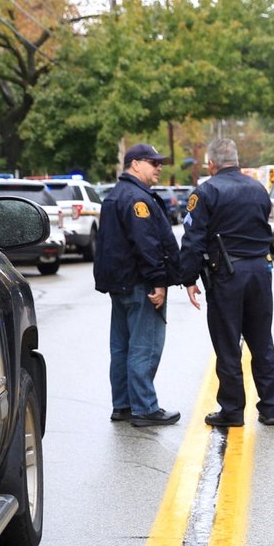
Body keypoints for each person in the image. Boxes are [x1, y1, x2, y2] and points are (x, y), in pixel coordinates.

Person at [179, 138, 274, 428]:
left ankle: (233, 410)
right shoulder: (258, 189)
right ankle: (271, 408)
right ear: (236, 161)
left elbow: (193, 239)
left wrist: (188, 277)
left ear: (211, 164)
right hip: (261, 272)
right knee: (262, 341)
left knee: (228, 345)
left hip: (227, 275)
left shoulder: (207, 191)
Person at [94, 143, 181, 427]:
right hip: (140, 284)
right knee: (145, 346)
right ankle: (145, 408)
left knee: (121, 348)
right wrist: (158, 282)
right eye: (152, 163)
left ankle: (123, 404)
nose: (159, 168)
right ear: (134, 164)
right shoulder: (137, 199)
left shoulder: (115, 196)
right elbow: (148, 245)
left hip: (119, 285)